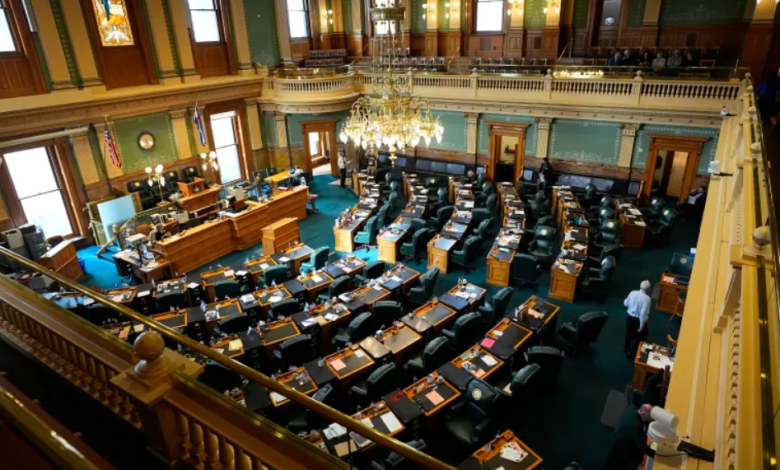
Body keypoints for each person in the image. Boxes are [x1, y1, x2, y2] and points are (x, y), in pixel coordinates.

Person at [601, 404, 655, 470]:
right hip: (622, 447)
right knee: (617, 465)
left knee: (609, 460)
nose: (650, 419)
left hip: (616, 437)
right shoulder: (636, 425)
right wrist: (655, 455)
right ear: (643, 414)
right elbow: (641, 446)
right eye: (649, 417)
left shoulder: (631, 408)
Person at [624, 280, 652, 358]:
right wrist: (641, 326)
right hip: (638, 320)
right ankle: (633, 353)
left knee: (628, 334)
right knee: (643, 335)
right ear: (649, 289)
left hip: (629, 318)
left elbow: (625, 303)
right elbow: (643, 314)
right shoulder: (647, 299)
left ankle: (627, 351)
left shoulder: (632, 292)